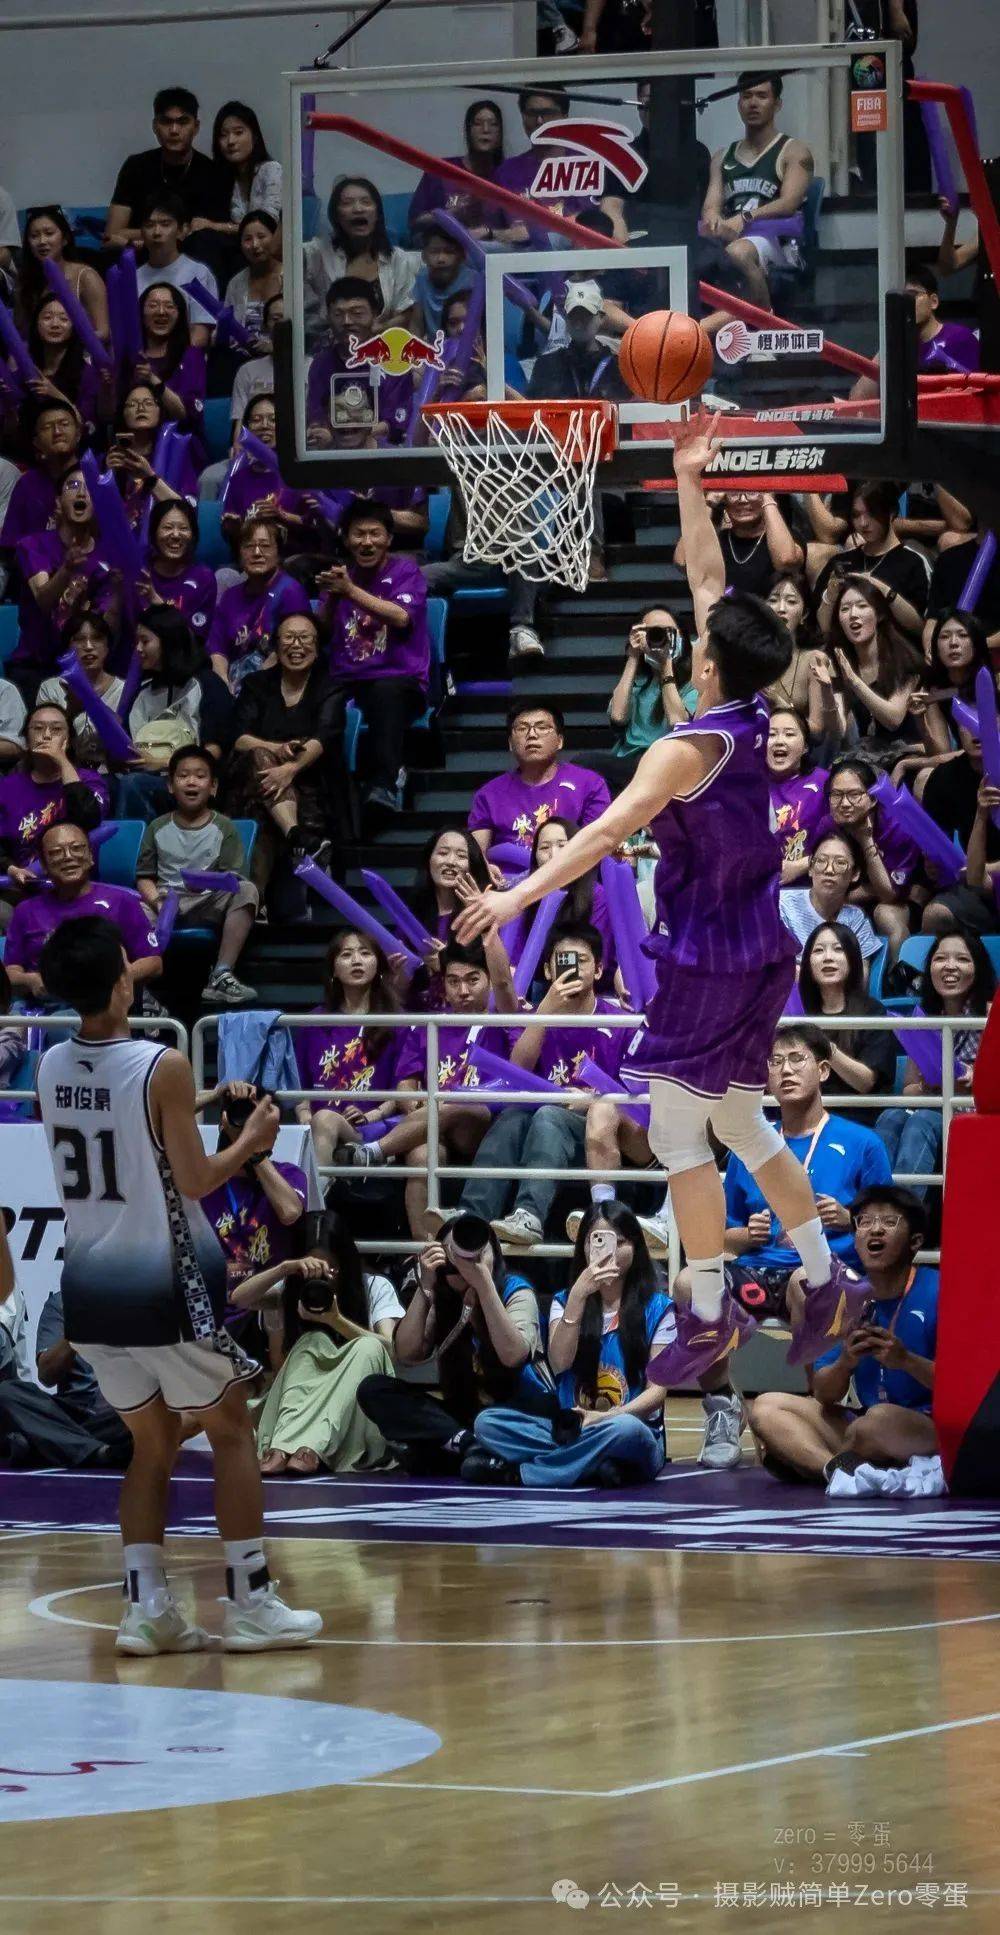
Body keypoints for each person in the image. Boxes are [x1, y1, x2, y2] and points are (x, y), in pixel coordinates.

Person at [456, 412, 866, 1381]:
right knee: (739, 1124)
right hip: (759, 947)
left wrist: (515, 902)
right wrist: (689, 477)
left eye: (698, 639)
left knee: (682, 1131)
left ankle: (712, 1311)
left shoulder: (684, 748)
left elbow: (602, 835)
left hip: (711, 957)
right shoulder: (752, 704)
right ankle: (826, 1279)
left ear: (708, 662)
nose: (692, 627)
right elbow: (709, 579)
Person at [36, 914, 321, 1652]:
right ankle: (251, 1601)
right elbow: (194, 1177)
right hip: (160, 1281)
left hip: (90, 1289)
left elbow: (123, 1118)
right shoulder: (161, 1064)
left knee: (152, 1440)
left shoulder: (50, 1065)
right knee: (232, 1428)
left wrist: (198, 1103)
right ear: (123, 983)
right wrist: (252, 1142)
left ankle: (147, 1609)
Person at [450, 922, 627, 1248]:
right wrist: (545, 1012)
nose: (573, 969)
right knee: (512, 1117)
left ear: (599, 969)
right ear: (547, 970)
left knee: (548, 1115)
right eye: (563, 961)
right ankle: (469, 1218)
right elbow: (517, 1069)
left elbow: (633, 1096)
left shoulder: (619, 1021)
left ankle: (529, 1215)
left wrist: (591, 1100)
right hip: (542, 1127)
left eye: (581, 960)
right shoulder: (536, 1015)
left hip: (592, 1132)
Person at [472, 1204, 673, 1487]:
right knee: (487, 1424)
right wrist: (578, 1296)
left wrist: (604, 1417)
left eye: (619, 1242)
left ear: (635, 1248)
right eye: (596, 1241)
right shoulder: (564, 1301)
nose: (609, 1251)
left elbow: (657, 1393)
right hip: (571, 1430)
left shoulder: (660, 1308)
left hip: (629, 1427)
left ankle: (526, 1473)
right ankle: (592, 1464)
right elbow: (559, 1363)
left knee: (627, 1430)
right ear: (583, 1248)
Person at [751, 1186, 938, 1484]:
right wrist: (845, 1362)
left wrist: (906, 1360)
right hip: (863, 1422)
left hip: (928, 1425)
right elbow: (824, 1394)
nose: (875, 1230)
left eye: (889, 1222)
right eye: (865, 1221)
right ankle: (837, 1473)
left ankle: (809, 1460)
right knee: (767, 1406)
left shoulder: (940, 1291)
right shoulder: (844, 1299)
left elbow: (964, 1387)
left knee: (876, 1423)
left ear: (915, 1241)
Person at [356, 1217, 547, 1479]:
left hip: (514, 1417)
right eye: (455, 1255)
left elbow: (513, 1356)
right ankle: (469, 1446)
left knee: (441, 1450)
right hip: (465, 1419)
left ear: (495, 1254)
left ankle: (462, 1451)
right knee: (374, 1389)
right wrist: (425, 1287)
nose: (466, 1263)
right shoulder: (444, 1297)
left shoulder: (516, 1291)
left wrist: (484, 1287)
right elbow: (405, 1354)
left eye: (477, 1254)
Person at [360, 933, 517, 1237]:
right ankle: (424, 1252)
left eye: (473, 980)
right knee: (420, 1156)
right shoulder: (429, 1025)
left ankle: (375, 1151)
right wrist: (413, 1104)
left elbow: (505, 988)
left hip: (484, 1127)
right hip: (434, 1125)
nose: (463, 991)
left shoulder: (505, 1022)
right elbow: (406, 1083)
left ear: (488, 980)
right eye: (453, 981)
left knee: (456, 1104)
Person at [233, 1210, 401, 1476]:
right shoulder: (290, 1290)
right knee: (312, 1340)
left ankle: (308, 1446)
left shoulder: (374, 1287)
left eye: (331, 1267)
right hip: (300, 1401)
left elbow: (389, 1349)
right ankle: (286, 1446)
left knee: (368, 1346)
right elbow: (239, 1299)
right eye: (315, 1268)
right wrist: (285, 1268)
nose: (324, 1277)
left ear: (346, 1262)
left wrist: (335, 1320)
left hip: (355, 1408)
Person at [318, 501, 429, 813]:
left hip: (398, 679)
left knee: (384, 692)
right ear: (345, 539)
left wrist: (350, 591)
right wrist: (332, 598)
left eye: (374, 534)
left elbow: (401, 617)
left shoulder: (406, 572)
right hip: (346, 678)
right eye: (358, 534)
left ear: (389, 539)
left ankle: (386, 783)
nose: (366, 542)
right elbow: (321, 632)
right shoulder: (341, 578)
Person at [136, 745, 259, 1006]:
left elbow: (232, 878)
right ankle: (141, 989)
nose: (191, 782)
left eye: (200, 776)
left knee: (247, 890)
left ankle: (221, 975)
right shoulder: (157, 827)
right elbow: (144, 877)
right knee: (130, 909)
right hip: (165, 901)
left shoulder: (224, 827)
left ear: (213, 786)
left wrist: (205, 884)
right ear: (170, 785)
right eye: (183, 776)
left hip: (207, 900)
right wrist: (157, 901)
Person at [876, 931, 995, 1196]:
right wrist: (927, 1087)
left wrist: (978, 1078)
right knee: (890, 1116)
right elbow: (908, 1090)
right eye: (940, 959)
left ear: (978, 968)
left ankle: (903, 1213)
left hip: (972, 1112)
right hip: (935, 1106)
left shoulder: (990, 1016)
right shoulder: (925, 1018)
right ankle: (873, 1208)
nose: (949, 966)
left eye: (962, 959)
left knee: (923, 1121)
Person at [228, 608, 341, 882]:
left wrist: (290, 769)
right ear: (276, 646)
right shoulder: (256, 684)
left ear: (317, 646)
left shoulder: (330, 687)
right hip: (255, 776)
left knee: (260, 814)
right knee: (258, 754)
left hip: (310, 779)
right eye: (288, 638)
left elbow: (323, 737)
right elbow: (238, 737)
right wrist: (276, 750)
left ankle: (255, 900)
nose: (296, 645)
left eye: (305, 638)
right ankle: (296, 835)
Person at [4, 820, 161, 1005]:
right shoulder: (25, 911)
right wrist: (30, 981)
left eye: (77, 848)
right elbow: (11, 971)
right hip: (40, 1009)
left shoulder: (122, 901)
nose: (68, 857)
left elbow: (154, 963)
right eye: (56, 852)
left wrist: (113, 980)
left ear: (90, 856)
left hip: (104, 1006)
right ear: (44, 865)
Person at [294, 927, 406, 1170]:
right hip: (321, 1126)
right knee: (324, 1120)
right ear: (334, 969)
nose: (356, 960)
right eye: (346, 954)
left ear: (378, 964)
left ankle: (316, 1194)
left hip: (374, 1133)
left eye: (365, 953)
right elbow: (300, 1086)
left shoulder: (397, 1022)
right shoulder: (313, 1022)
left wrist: (370, 1116)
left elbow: (401, 1093)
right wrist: (305, 1117)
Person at [701, 71, 814, 310]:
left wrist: (745, 218)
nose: (753, 103)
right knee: (698, 253)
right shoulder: (722, 157)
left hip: (779, 240)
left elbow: (789, 203)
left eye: (762, 96)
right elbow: (711, 206)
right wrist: (715, 222)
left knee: (738, 253)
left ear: (777, 104)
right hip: (733, 236)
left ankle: (765, 321)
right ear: (738, 104)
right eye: (747, 96)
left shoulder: (794, 151)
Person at [0, 1285, 133, 1470]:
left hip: (119, 1414)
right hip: (70, 1413)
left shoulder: (141, 1306)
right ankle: (98, 1452)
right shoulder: (61, 1303)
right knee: (6, 1392)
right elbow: (46, 1375)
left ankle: (44, 1446)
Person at [13, 461, 118, 684]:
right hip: (37, 666)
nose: (81, 492)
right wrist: (67, 569)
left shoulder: (109, 558)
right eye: (73, 485)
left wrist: (120, 592)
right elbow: (43, 600)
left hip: (88, 667)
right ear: (58, 502)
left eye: (89, 488)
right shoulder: (33, 545)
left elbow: (106, 627)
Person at [202, 1080, 307, 1299]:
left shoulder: (289, 1174)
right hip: (211, 1298)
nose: (255, 1130)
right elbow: (151, 1125)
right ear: (223, 1123)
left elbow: (290, 1212)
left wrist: (252, 1149)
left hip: (266, 1301)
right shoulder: (204, 1173)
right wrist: (214, 1096)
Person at [468, 699, 611, 855]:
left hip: (571, 868)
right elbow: (477, 858)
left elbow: (596, 847)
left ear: (560, 741)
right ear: (510, 743)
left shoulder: (590, 784)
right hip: (510, 871)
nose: (532, 734)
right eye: (522, 729)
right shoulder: (489, 794)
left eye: (542, 728)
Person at [104, 86, 231, 257]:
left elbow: (211, 236)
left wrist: (143, 236)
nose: (174, 130)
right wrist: (173, 234)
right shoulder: (135, 166)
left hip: (193, 260)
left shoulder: (213, 173)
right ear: (154, 126)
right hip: (140, 257)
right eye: (166, 122)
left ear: (196, 127)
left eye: (183, 122)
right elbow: (112, 235)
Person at [822, 755, 920, 960]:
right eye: (836, 795)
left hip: (902, 899)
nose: (845, 803)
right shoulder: (827, 826)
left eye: (854, 795)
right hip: (852, 895)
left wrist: (866, 840)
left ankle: (898, 975)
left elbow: (889, 894)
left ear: (873, 798)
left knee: (885, 915)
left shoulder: (899, 827)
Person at [303, 177, 417, 344]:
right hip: (329, 346)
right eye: (347, 203)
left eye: (366, 202)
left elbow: (407, 312)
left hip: (381, 347)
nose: (358, 209)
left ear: (377, 214)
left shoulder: (398, 260)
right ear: (336, 216)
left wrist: (373, 332)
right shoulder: (318, 252)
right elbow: (280, 251)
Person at [798, 922, 897, 1109]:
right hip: (805, 1113)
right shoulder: (799, 1014)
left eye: (838, 949)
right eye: (818, 950)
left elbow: (866, 1083)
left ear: (852, 959)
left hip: (856, 1115)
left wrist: (826, 1048)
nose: (828, 957)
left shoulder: (872, 1012)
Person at [822, 575, 925, 756]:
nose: (853, 614)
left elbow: (893, 719)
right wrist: (826, 690)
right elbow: (840, 730)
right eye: (845, 609)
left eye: (862, 606)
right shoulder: (837, 661)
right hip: (862, 756)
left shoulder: (904, 658)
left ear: (880, 614)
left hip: (906, 753)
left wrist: (854, 681)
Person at [207, 514, 311, 690]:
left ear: (278, 553)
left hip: (274, 684)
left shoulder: (290, 591)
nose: (257, 553)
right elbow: (218, 649)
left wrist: (251, 690)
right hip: (234, 683)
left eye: (265, 546)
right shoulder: (230, 596)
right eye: (249, 546)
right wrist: (223, 684)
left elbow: (289, 651)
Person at [0, 704, 107, 873]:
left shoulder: (89, 779)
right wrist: (10, 868)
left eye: (56, 729)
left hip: (75, 878)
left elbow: (89, 819)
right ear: (26, 741)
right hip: (24, 880)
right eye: (38, 728)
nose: (47, 735)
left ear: (69, 741)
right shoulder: (7, 787)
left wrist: (62, 761)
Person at [812, 485, 930, 640]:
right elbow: (820, 629)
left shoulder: (913, 562)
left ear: (891, 513)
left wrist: (885, 591)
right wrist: (830, 596)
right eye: (856, 515)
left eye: (872, 513)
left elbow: (922, 629)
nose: (863, 523)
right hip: (844, 649)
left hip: (896, 650)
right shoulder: (840, 561)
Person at [922, 718, 1000, 938]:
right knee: (935, 914)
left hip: (988, 876)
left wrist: (988, 870)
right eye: (966, 722)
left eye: (983, 720)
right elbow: (941, 849)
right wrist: (934, 865)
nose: (976, 730)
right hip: (972, 887)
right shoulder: (944, 778)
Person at [780, 829, 882, 967]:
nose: (829, 870)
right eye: (821, 861)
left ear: (855, 874)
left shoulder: (856, 920)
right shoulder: (782, 905)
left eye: (840, 863)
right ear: (810, 868)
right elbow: (776, 971)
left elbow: (861, 975)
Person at [106, 381, 198, 534]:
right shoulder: (110, 459)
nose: (140, 408)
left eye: (148, 403)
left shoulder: (175, 455)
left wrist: (150, 478)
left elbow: (188, 512)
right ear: (123, 413)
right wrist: (108, 478)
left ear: (159, 410)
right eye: (132, 404)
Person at [675, 491, 803, 599]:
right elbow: (683, 562)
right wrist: (709, 502)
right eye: (734, 493)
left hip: (769, 619)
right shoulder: (717, 541)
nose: (743, 500)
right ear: (725, 501)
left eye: (751, 492)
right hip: (724, 618)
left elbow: (786, 561)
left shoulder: (787, 539)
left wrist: (767, 496)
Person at [37, 612, 124, 771]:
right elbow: (44, 743)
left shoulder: (124, 690)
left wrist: (93, 706)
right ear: (67, 648)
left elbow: (128, 750)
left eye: (97, 638)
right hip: (63, 772)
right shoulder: (51, 688)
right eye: (79, 639)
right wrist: (70, 711)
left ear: (108, 646)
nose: (89, 646)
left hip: (113, 774)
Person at [608, 606, 697, 760]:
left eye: (668, 632)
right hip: (629, 758)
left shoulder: (693, 684)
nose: (660, 637)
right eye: (652, 632)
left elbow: (678, 723)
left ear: (681, 638)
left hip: (665, 762)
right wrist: (633, 656)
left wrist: (666, 665)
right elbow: (618, 717)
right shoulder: (637, 683)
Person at [407, 100, 505, 237]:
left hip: (495, 247)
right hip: (449, 245)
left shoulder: (508, 173)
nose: (485, 130)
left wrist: (490, 233)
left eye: (493, 124)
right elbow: (415, 222)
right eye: (478, 124)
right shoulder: (442, 170)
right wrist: (450, 215)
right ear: (468, 131)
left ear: (500, 132)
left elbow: (521, 228)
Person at [15, 206, 109, 344]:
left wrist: (64, 340)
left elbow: (103, 332)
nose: (42, 241)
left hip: (82, 353)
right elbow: (21, 334)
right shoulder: (24, 281)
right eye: (34, 236)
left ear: (65, 238)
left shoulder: (86, 277)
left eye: (49, 233)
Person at [0, 397, 82, 553]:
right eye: (47, 427)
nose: (57, 432)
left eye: (64, 424)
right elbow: (10, 544)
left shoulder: (94, 478)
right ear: (36, 442)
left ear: (78, 434)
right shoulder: (27, 484)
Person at [130, 284, 207, 446]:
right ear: (140, 313)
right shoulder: (130, 357)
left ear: (179, 315)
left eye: (169, 306)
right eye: (153, 305)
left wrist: (152, 379)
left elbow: (187, 415)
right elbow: (109, 414)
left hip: (181, 445)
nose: (161, 311)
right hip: (136, 443)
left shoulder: (192, 356)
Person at [135, 195, 217, 344]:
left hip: (185, 355)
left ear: (181, 230)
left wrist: (171, 357)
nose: (157, 232)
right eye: (149, 225)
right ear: (141, 232)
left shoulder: (199, 273)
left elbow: (200, 334)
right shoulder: (132, 277)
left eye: (165, 224)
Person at [26, 291, 106, 436]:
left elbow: (88, 427)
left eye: (64, 319)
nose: (55, 324)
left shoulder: (88, 373)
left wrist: (54, 394)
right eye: (47, 318)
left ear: (74, 326)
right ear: (36, 323)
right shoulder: (26, 368)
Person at [140, 499, 217, 642]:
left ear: (193, 535)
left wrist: (154, 599)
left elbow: (194, 641)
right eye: (168, 527)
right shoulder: (140, 567)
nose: (176, 535)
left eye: (183, 528)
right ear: (153, 533)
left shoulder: (204, 578)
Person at [767, 708, 827, 886]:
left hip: (810, 888)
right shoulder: (748, 786)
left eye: (789, 734)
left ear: (805, 747)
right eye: (771, 734)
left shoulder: (824, 782)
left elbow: (845, 841)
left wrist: (802, 865)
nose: (779, 741)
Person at [212, 100, 283, 231]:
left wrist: (215, 226)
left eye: (238, 133)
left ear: (254, 136)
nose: (230, 141)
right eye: (223, 135)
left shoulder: (271, 169)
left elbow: (268, 223)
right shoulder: (225, 179)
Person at [762, 571, 820, 718]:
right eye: (773, 600)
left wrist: (778, 702)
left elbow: (818, 727)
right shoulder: (747, 657)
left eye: (791, 602)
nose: (781, 609)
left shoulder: (813, 660)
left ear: (804, 614)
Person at [222, 211, 282, 344]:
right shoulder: (236, 283)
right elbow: (228, 328)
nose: (255, 245)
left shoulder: (292, 277)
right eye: (248, 239)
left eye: (261, 237)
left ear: (275, 237)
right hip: (242, 354)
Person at [409, 224, 475, 341]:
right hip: (434, 349)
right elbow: (416, 327)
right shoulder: (421, 279)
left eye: (449, 252)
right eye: (434, 252)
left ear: (462, 255)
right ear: (424, 256)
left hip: (466, 345)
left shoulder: (472, 281)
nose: (441, 259)